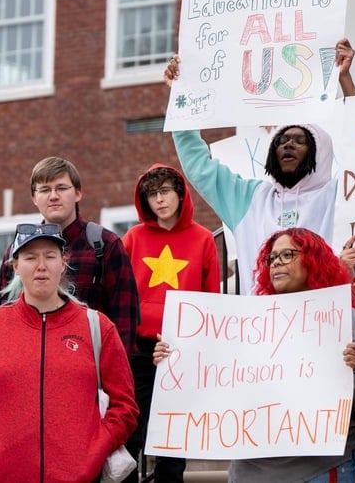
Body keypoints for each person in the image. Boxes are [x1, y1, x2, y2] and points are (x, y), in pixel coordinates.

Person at [154, 227, 355, 482]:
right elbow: (209, 383)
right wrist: (173, 360)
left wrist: (351, 372)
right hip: (249, 473)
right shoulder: (240, 326)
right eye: (271, 258)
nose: (276, 263)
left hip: (322, 470)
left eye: (287, 255)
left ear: (313, 261)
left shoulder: (345, 320)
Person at [0, 223, 139, 482]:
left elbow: (125, 408)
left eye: (50, 256)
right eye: (30, 257)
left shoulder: (97, 327)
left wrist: (94, 451)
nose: (41, 265)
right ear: (15, 266)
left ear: (63, 262)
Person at [164, 57, 338, 296]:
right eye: (281, 141)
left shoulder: (338, 195)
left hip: (323, 320)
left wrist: (346, 80)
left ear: (321, 152)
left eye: (300, 141)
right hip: (262, 327)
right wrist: (181, 97)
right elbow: (199, 166)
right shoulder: (251, 198)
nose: (288, 145)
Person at [120, 164, 220, 482]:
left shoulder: (203, 239)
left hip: (183, 351)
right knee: (132, 432)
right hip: (139, 349)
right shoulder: (133, 238)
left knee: (173, 438)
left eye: (165, 191)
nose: (159, 199)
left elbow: (211, 298)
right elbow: (119, 293)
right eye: (152, 194)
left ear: (179, 193)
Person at [0, 156, 139, 352]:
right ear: (34, 198)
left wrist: (113, 377)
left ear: (78, 193)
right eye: (44, 190)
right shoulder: (17, 252)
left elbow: (125, 326)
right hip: (27, 366)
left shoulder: (105, 245)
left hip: (89, 371)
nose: (53, 196)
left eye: (61, 188)